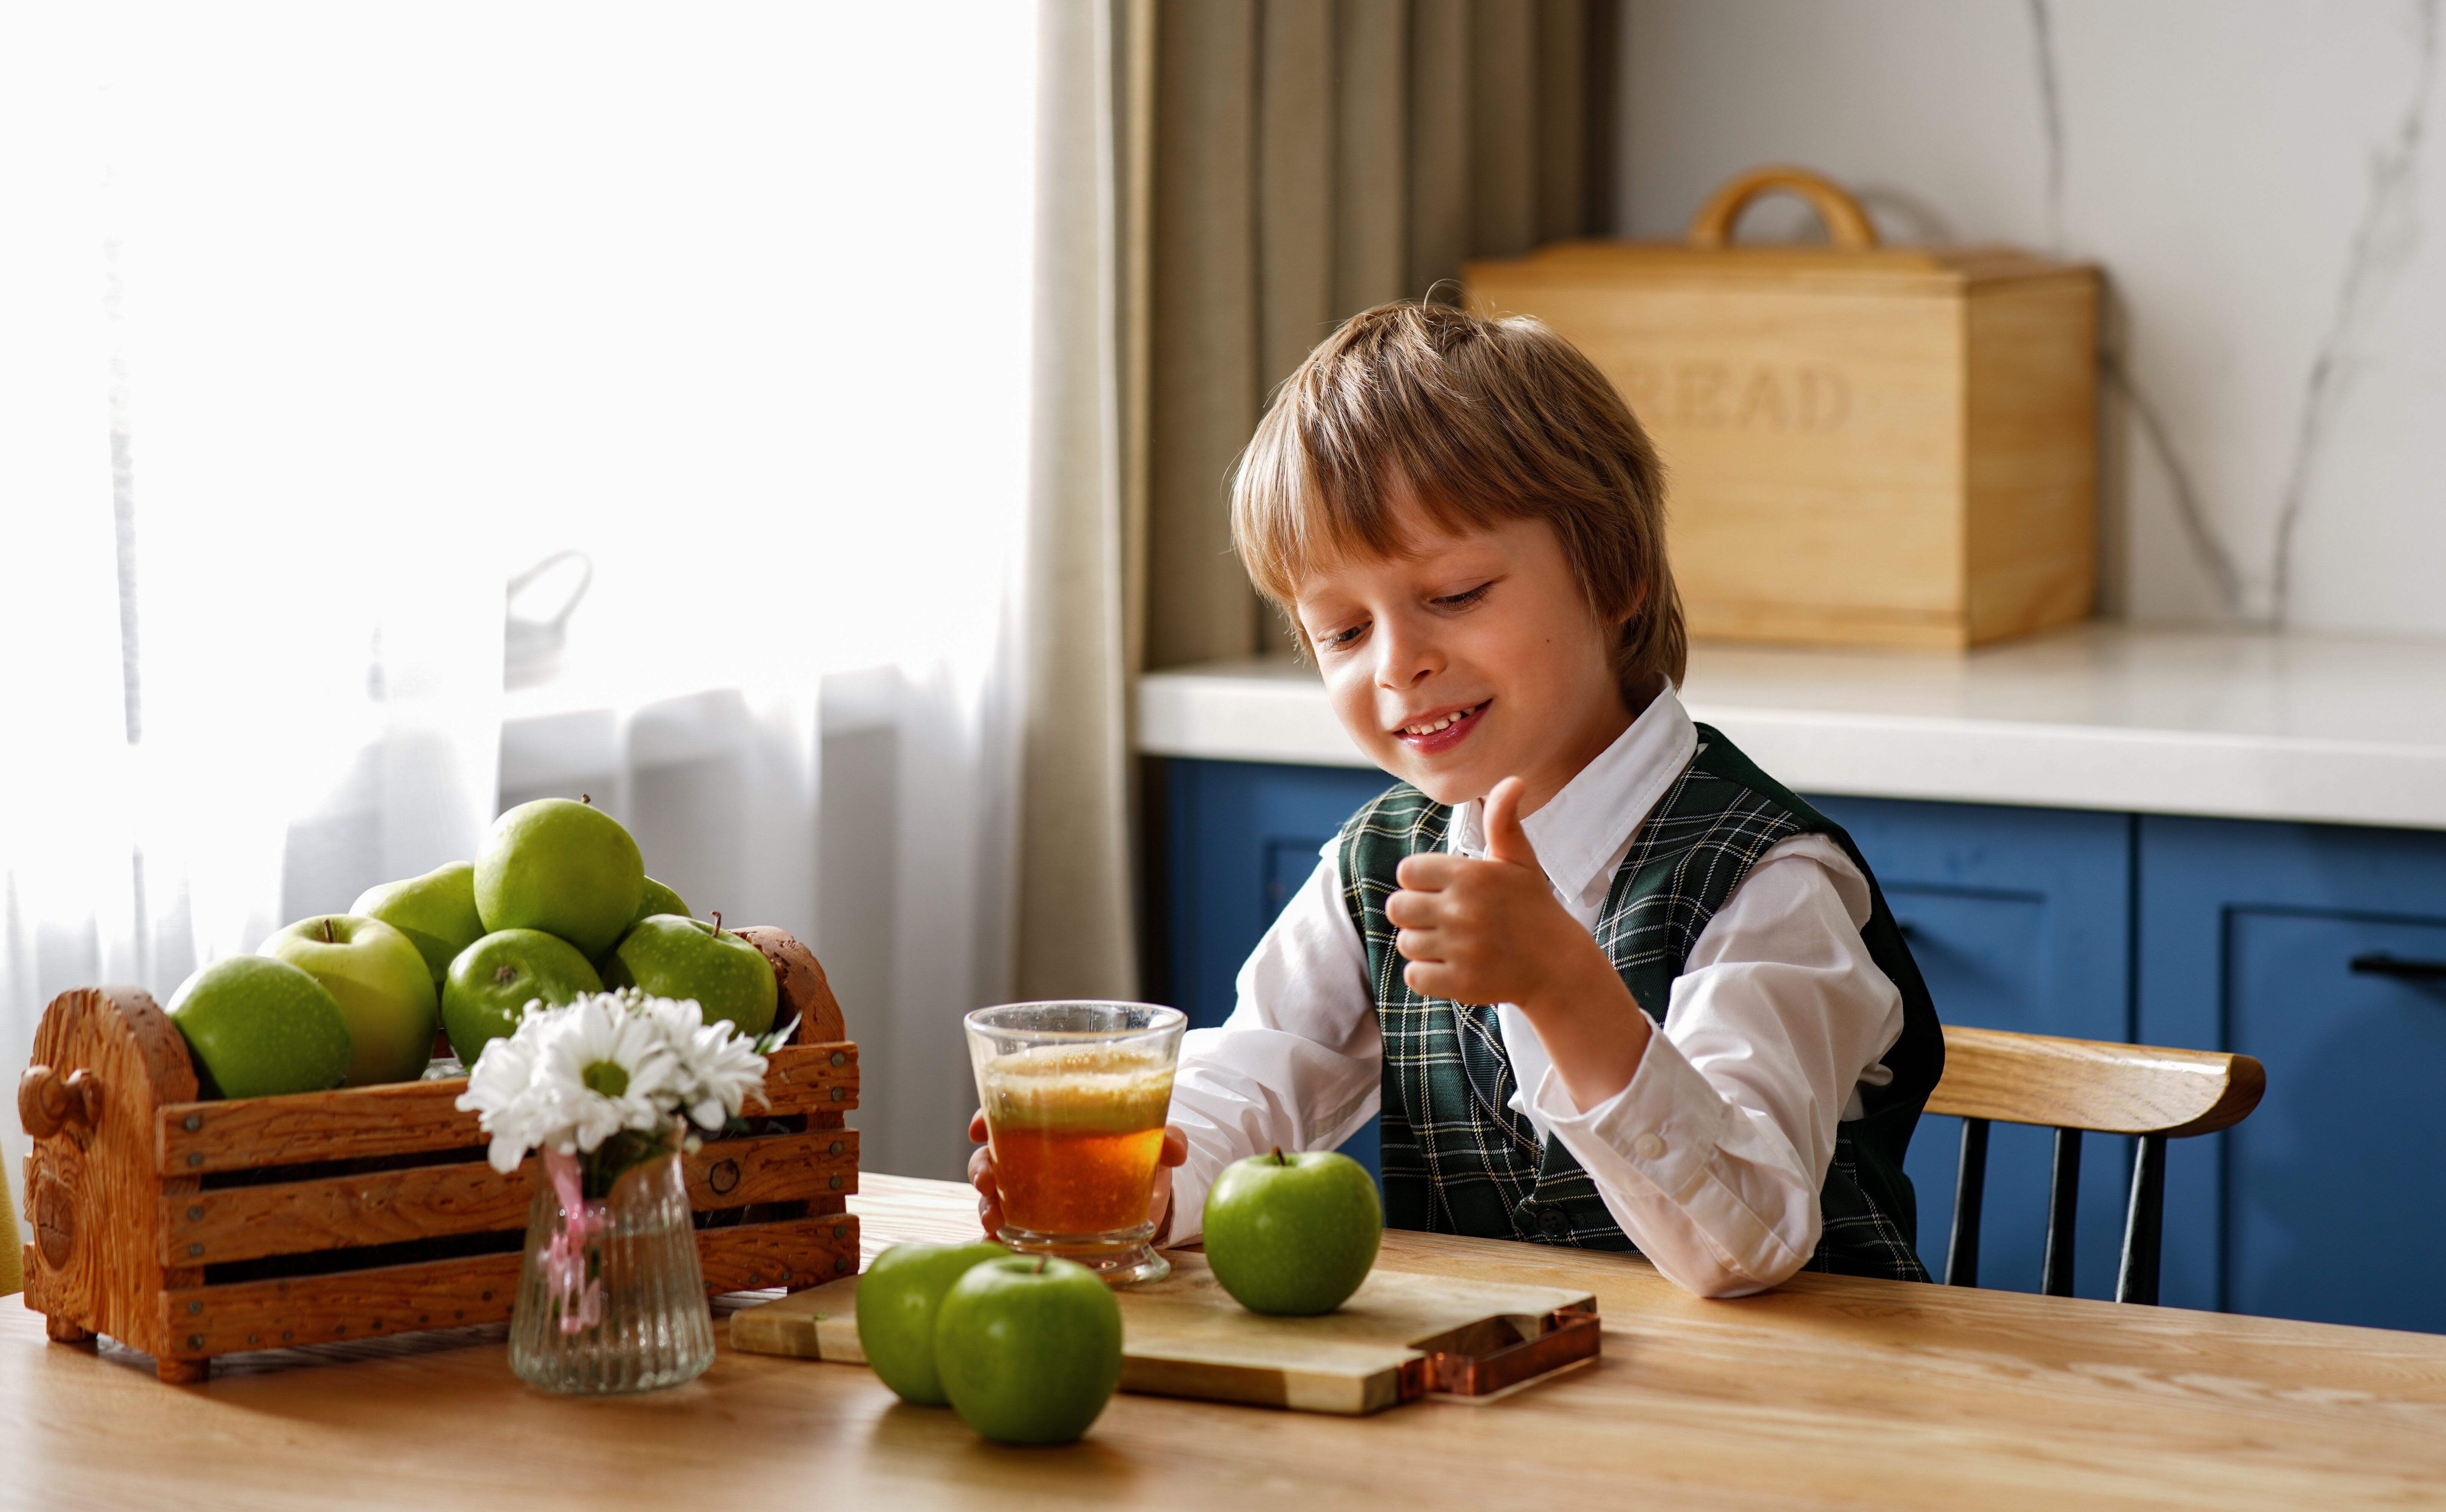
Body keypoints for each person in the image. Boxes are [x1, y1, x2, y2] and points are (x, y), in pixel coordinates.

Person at [971, 301, 1942, 1296]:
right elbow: (1262, 1070)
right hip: (1502, 1411)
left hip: (1795, 1423)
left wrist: (1564, 988)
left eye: (1456, 594)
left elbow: (1748, 1243)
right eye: (1343, 632)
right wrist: (1137, 1177)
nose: (1400, 665)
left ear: (1619, 576)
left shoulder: (1768, 880)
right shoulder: (1378, 866)